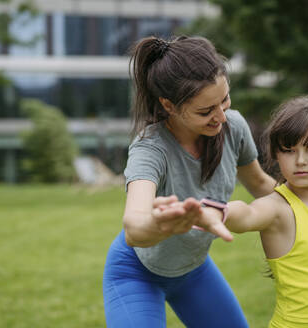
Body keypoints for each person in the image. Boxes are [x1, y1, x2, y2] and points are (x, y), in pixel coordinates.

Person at [102, 35, 275, 328]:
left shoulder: (234, 128)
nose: (220, 116)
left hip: (194, 271)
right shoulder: (150, 148)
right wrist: (159, 226)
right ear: (169, 105)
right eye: (206, 111)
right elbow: (134, 225)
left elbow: (259, 183)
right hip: (136, 271)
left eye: (225, 100)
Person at [174, 95, 308, 327]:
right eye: (289, 150)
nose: (300, 161)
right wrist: (215, 212)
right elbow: (247, 214)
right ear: (276, 153)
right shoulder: (278, 208)